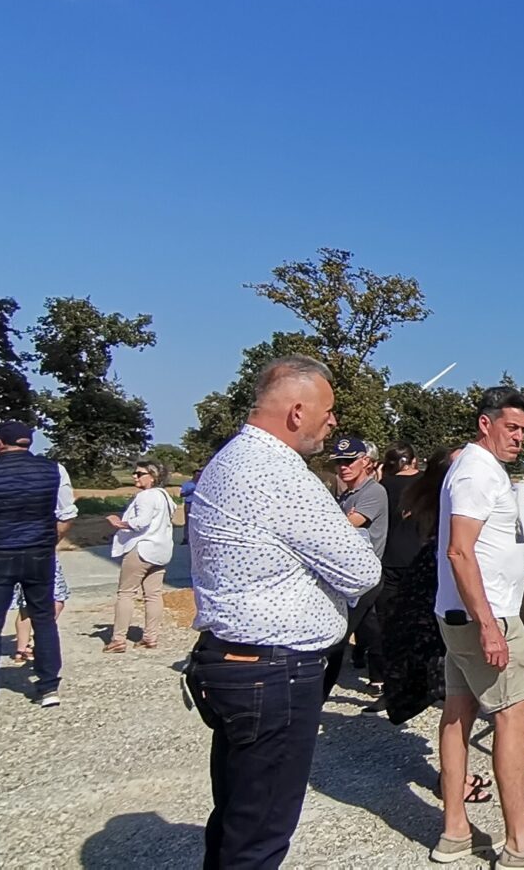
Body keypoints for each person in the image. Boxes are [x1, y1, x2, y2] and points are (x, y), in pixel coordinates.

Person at [184, 356, 381, 869]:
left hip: (236, 662)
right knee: (261, 833)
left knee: (237, 814)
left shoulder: (230, 459)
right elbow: (361, 571)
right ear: (297, 412)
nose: (333, 422)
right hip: (274, 670)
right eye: (328, 411)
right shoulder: (280, 474)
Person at [434, 386, 524, 869]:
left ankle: (455, 831)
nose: (519, 437)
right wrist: (489, 626)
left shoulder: (478, 468)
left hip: (464, 615)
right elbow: (460, 551)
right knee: (513, 716)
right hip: (485, 618)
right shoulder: (476, 472)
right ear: (485, 423)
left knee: (458, 712)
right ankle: (521, 844)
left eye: (523, 430)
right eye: (511, 427)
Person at [0, 421, 78, 718]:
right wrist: (50, 541)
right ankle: (48, 687)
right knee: (44, 618)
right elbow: (66, 514)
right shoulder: (54, 469)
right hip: (39, 552)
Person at [376, 447, 457, 726]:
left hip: (397, 563)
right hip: (425, 567)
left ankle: (388, 682)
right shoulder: (446, 498)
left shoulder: (392, 488)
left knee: (393, 626)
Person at [324, 435, 389, 699]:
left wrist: (331, 520)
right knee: (369, 627)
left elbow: (347, 526)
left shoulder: (373, 492)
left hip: (365, 574)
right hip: (349, 574)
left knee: (342, 632)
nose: (343, 467)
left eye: (349, 461)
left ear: (365, 461)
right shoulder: (348, 493)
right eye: (339, 462)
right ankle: (380, 678)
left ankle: (322, 688)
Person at [104, 459, 175, 652]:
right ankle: (150, 637)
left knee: (125, 593)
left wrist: (119, 523)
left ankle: (118, 639)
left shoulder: (146, 496)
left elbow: (141, 522)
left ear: (152, 477)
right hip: (160, 551)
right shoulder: (165, 497)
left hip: (142, 549)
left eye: (139, 473)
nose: (134, 476)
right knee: (153, 594)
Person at [11, 558, 71, 664]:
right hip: (42, 558)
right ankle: (39, 639)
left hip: (22, 560)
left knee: (26, 606)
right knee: (57, 601)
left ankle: (22, 650)